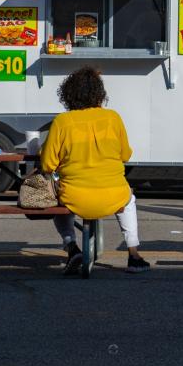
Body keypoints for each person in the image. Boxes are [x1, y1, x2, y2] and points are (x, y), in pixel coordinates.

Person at [41, 66, 149, 274]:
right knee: (130, 200)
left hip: (75, 197)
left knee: (56, 198)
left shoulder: (62, 122)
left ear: (69, 94)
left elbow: (47, 165)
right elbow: (125, 155)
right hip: (113, 196)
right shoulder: (113, 118)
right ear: (99, 93)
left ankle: (72, 247)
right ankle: (134, 255)